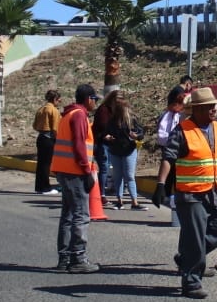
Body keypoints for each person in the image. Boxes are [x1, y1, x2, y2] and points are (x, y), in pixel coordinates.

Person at [153, 87, 217, 299]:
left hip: (216, 191)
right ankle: (191, 281)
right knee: (196, 238)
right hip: (192, 194)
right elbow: (168, 158)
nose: (213, 110)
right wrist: (160, 184)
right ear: (197, 109)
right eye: (209, 107)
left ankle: (187, 258)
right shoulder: (182, 131)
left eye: (214, 106)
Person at [49, 84, 101, 273]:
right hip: (75, 171)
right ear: (88, 99)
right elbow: (79, 145)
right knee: (80, 214)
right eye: (95, 99)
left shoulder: (68, 114)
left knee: (68, 215)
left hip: (64, 169)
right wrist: (87, 170)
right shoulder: (79, 115)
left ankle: (64, 258)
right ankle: (78, 258)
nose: (95, 103)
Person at [102, 93, 146, 209]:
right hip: (115, 150)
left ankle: (134, 202)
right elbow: (105, 134)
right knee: (118, 176)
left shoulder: (131, 119)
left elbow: (141, 133)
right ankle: (119, 201)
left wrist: (136, 136)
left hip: (129, 150)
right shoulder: (112, 120)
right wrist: (107, 138)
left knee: (129, 176)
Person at [155, 86, 190, 228]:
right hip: (173, 151)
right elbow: (162, 136)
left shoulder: (181, 116)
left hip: (183, 155)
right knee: (174, 180)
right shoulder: (169, 116)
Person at [33, 90, 62, 195]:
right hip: (49, 139)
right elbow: (55, 128)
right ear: (54, 99)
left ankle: (39, 187)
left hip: (40, 137)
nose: (59, 102)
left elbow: (35, 126)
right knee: (46, 165)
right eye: (58, 100)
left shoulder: (41, 109)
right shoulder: (53, 111)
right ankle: (45, 188)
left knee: (41, 164)